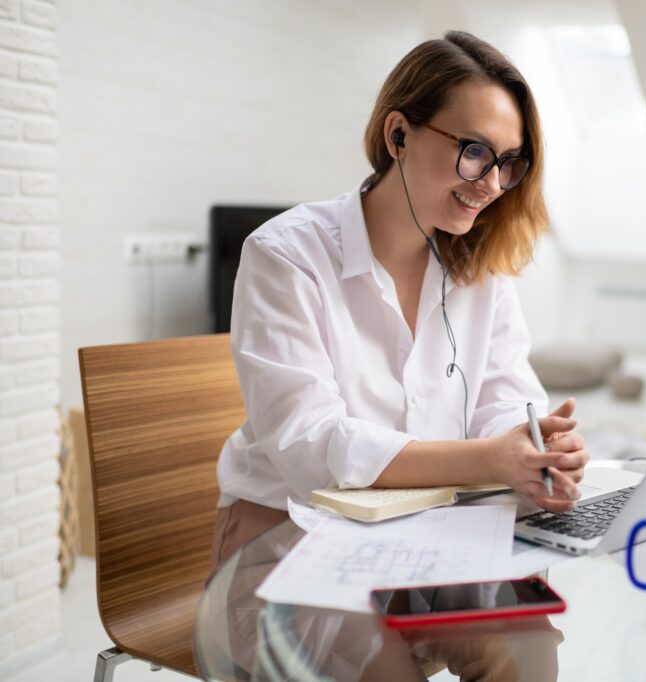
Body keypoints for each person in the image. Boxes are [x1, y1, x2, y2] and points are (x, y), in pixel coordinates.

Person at [210, 30, 590, 570]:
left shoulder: (481, 269)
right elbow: (308, 445)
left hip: (431, 526)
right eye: (474, 151)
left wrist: (533, 449)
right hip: (285, 533)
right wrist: (488, 459)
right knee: (376, 657)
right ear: (398, 135)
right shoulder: (286, 255)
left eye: (508, 163)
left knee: (525, 646)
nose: (490, 184)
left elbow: (502, 398)